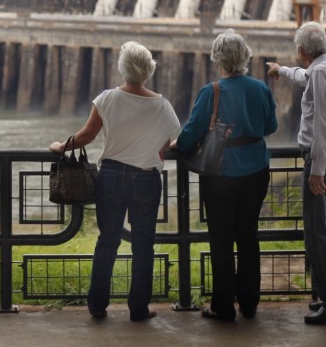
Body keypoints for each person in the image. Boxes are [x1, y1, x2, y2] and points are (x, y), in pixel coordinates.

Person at [49, 41, 180, 322]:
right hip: (146, 179)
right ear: (148, 69)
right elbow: (169, 142)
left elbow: (86, 136)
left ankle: (97, 306)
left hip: (111, 176)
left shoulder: (107, 98)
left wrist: (62, 146)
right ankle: (138, 309)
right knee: (143, 245)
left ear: (123, 68)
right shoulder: (163, 106)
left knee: (107, 241)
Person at [172, 29, 277, 321]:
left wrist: (177, 146)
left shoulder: (212, 91)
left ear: (217, 59)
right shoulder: (261, 89)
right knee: (247, 235)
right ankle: (249, 302)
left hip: (220, 173)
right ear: (245, 56)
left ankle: (222, 305)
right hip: (257, 170)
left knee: (220, 238)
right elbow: (271, 126)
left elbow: (192, 132)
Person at [267, 21, 326, 324]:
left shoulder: (320, 73)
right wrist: (283, 70)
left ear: (302, 49)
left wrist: (317, 169)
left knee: (319, 233)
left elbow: (324, 124)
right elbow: (304, 76)